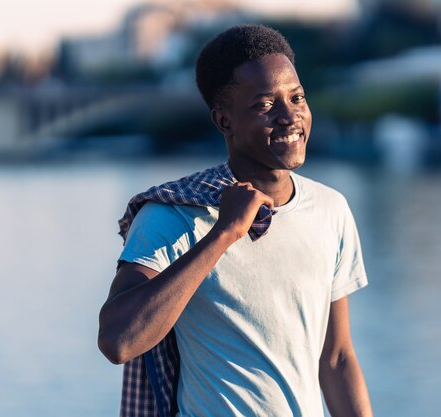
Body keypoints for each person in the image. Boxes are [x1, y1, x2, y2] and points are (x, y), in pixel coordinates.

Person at [98, 24, 373, 417]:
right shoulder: (175, 215)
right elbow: (118, 341)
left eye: (296, 97)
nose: (289, 116)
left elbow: (336, 358)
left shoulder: (331, 209)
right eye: (265, 105)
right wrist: (224, 233)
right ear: (224, 121)